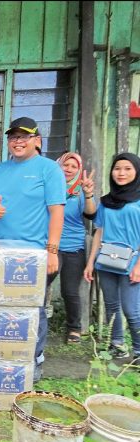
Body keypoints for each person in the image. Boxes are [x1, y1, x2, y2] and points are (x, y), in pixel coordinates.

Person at [0, 117, 66, 380]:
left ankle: (34, 360)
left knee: (32, 309)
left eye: (24, 137)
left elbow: (57, 211)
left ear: (36, 140)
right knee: (0, 308)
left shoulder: (48, 169)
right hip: (0, 252)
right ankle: (4, 357)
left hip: (34, 254)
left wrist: (52, 251)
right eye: (13, 137)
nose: (18, 142)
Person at [84, 152, 140, 364]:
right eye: (117, 169)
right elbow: (99, 231)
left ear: (137, 172)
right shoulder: (107, 201)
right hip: (107, 260)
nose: (121, 173)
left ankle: (138, 351)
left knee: (132, 310)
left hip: (133, 262)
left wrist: (139, 266)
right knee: (111, 306)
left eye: (127, 169)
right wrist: (90, 262)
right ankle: (117, 346)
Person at [47, 153, 96, 344]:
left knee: (70, 291)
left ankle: (74, 328)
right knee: (40, 285)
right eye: (65, 165)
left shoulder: (80, 191)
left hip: (74, 247)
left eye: (73, 166)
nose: (68, 169)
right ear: (58, 166)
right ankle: (36, 321)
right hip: (51, 247)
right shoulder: (49, 187)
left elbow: (90, 214)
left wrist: (88, 193)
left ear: (78, 170)